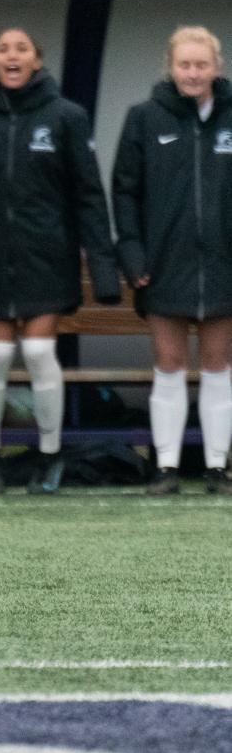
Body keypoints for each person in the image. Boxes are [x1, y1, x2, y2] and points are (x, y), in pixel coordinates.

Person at [0, 28, 118, 495]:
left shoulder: (67, 116)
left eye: (21, 48)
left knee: (41, 353)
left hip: (48, 257)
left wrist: (103, 268)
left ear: (37, 61)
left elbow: (89, 195)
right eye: (3, 48)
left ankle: (49, 456)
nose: (12, 55)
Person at [113, 25, 232, 496]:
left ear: (216, 68)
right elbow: (124, 192)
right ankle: (164, 468)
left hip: (224, 265)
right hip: (163, 264)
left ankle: (217, 468)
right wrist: (133, 254)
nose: (193, 73)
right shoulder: (143, 118)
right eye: (185, 64)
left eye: (201, 64)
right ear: (171, 67)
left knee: (220, 365)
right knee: (168, 363)